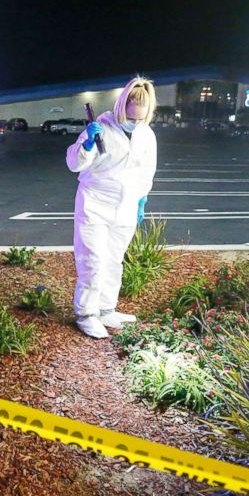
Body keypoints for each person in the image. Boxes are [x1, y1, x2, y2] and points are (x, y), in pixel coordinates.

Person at [66, 77, 158, 339]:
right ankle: (87, 314)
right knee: (92, 260)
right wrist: (86, 145)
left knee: (113, 260)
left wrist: (141, 199)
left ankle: (106, 308)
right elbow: (74, 163)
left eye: (140, 118)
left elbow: (146, 171)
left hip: (126, 206)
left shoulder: (147, 135)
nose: (135, 121)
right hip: (95, 202)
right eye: (131, 116)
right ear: (122, 106)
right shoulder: (101, 127)